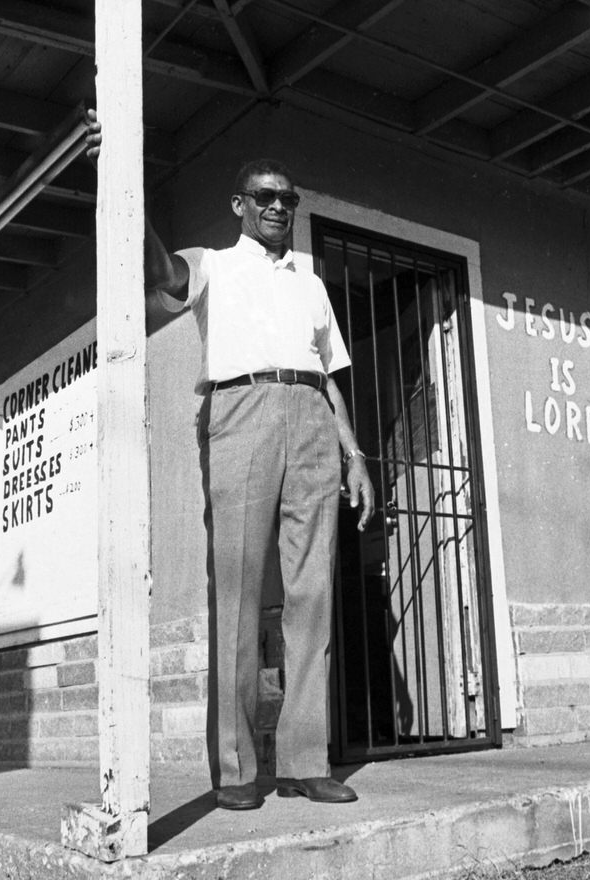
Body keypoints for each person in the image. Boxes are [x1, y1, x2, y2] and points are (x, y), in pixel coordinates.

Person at [85, 113, 375, 811]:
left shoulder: (310, 282)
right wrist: (121, 178)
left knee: (312, 594)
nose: (278, 206)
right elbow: (160, 272)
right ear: (240, 205)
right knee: (238, 593)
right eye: (265, 196)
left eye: (288, 198)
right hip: (239, 413)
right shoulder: (214, 264)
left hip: (312, 417)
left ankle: (306, 760)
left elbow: (328, 374)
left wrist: (354, 453)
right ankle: (238, 767)